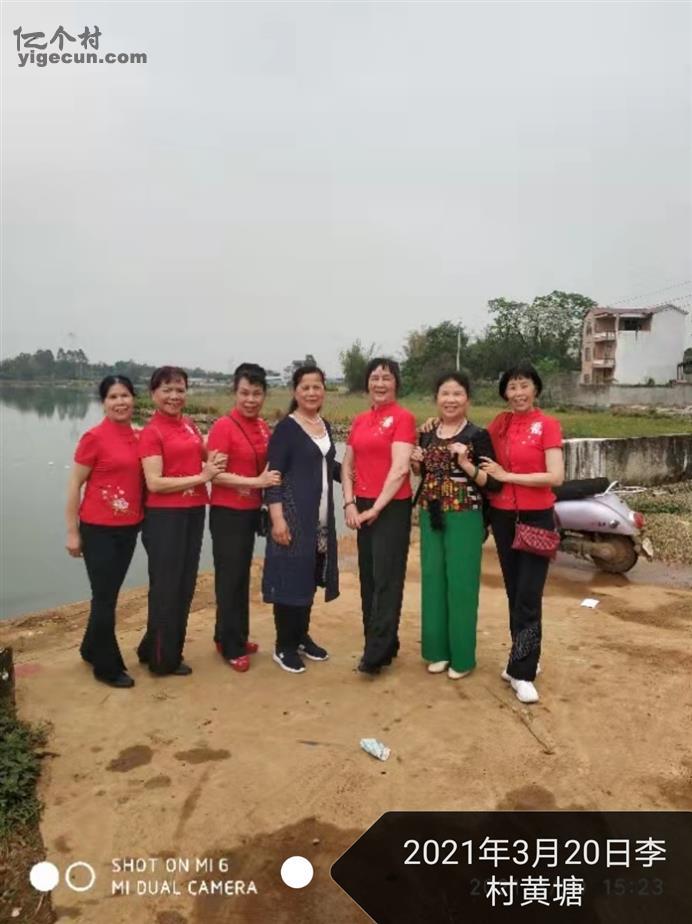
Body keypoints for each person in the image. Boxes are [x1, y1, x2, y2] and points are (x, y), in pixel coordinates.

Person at [479, 362, 564, 705]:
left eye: (524, 385)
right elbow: (472, 441)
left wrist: (507, 476)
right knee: (515, 593)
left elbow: (555, 476)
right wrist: (432, 426)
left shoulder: (547, 425)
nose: (518, 393)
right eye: (512, 387)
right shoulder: (499, 424)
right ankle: (523, 656)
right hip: (503, 518)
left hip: (536, 517)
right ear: (505, 393)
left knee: (529, 595)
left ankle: (523, 672)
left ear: (535, 389)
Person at [137, 366, 227, 676]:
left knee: (185, 583)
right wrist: (202, 477)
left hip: (193, 510)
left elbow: (206, 454)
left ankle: (151, 648)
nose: (174, 396)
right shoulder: (152, 432)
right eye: (167, 390)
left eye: (180, 390)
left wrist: (220, 452)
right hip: (165, 517)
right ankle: (163, 661)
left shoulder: (187, 424)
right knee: (167, 587)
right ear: (153, 394)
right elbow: (154, 482)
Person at [411, 371, 501, 680]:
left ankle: (462, 657)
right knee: (433, 580)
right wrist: (416, 462)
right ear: (436, 399)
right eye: (445, 394)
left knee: (461, 585)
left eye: (457, 394)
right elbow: (424, 472)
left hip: (465, 515)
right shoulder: (427, 433)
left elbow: (494, 483)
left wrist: (465, 464)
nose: (450, 399)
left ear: (467, 399)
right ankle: (437, 651)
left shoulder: (478, 435)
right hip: (430, 514)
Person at [65, 375, 144, 688]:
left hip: (129, 528)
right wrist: (72, 532)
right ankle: (106, 666)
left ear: (133, 399)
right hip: (98, 529)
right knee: (105, 597)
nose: (120, 402)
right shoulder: (94, 438)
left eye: (125, 395)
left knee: (106, 594)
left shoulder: (139, 436)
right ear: (103, 403)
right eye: (113, 397)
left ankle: (89, 647)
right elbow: (75, 484)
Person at [342, 358, 416, 674]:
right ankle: (381, 641)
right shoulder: (360, 420)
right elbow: (348, 465)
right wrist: (349, 503)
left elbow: (400, 469)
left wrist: (376, 508)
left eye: (387, 377)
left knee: (387, 578)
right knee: (369, 577)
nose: (380, 383)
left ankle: (376, 654)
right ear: (367, 384)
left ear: (396, 383)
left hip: (392, 506)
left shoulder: (403, 418)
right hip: (362, 503)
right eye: (375, 377)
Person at [262, 365, 338, 673]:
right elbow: (274, 477)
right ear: (295, 391)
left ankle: (301, 636)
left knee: (309, 576)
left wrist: (356, 473)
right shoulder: (287, 428)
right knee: (289, 579)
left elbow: (328, 465)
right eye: (305, 387)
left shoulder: (324, 425)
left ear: (324, 391)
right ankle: (284, 645)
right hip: (293, 516)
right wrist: (277, 519)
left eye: (317, 386)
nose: (311, 392)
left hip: (320, 520)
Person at [207, 363, 281, 672]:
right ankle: (231, 646)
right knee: (230, 578)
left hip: (250, 511)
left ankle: (230, 634)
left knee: (240, 577)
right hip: (228, 513)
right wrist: (257, 483)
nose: (250, 400)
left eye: (257, 393)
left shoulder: (261, 426)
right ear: (234, 392)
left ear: (264, 395)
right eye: (245, 393)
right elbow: (216, 475)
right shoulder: (224, 427)